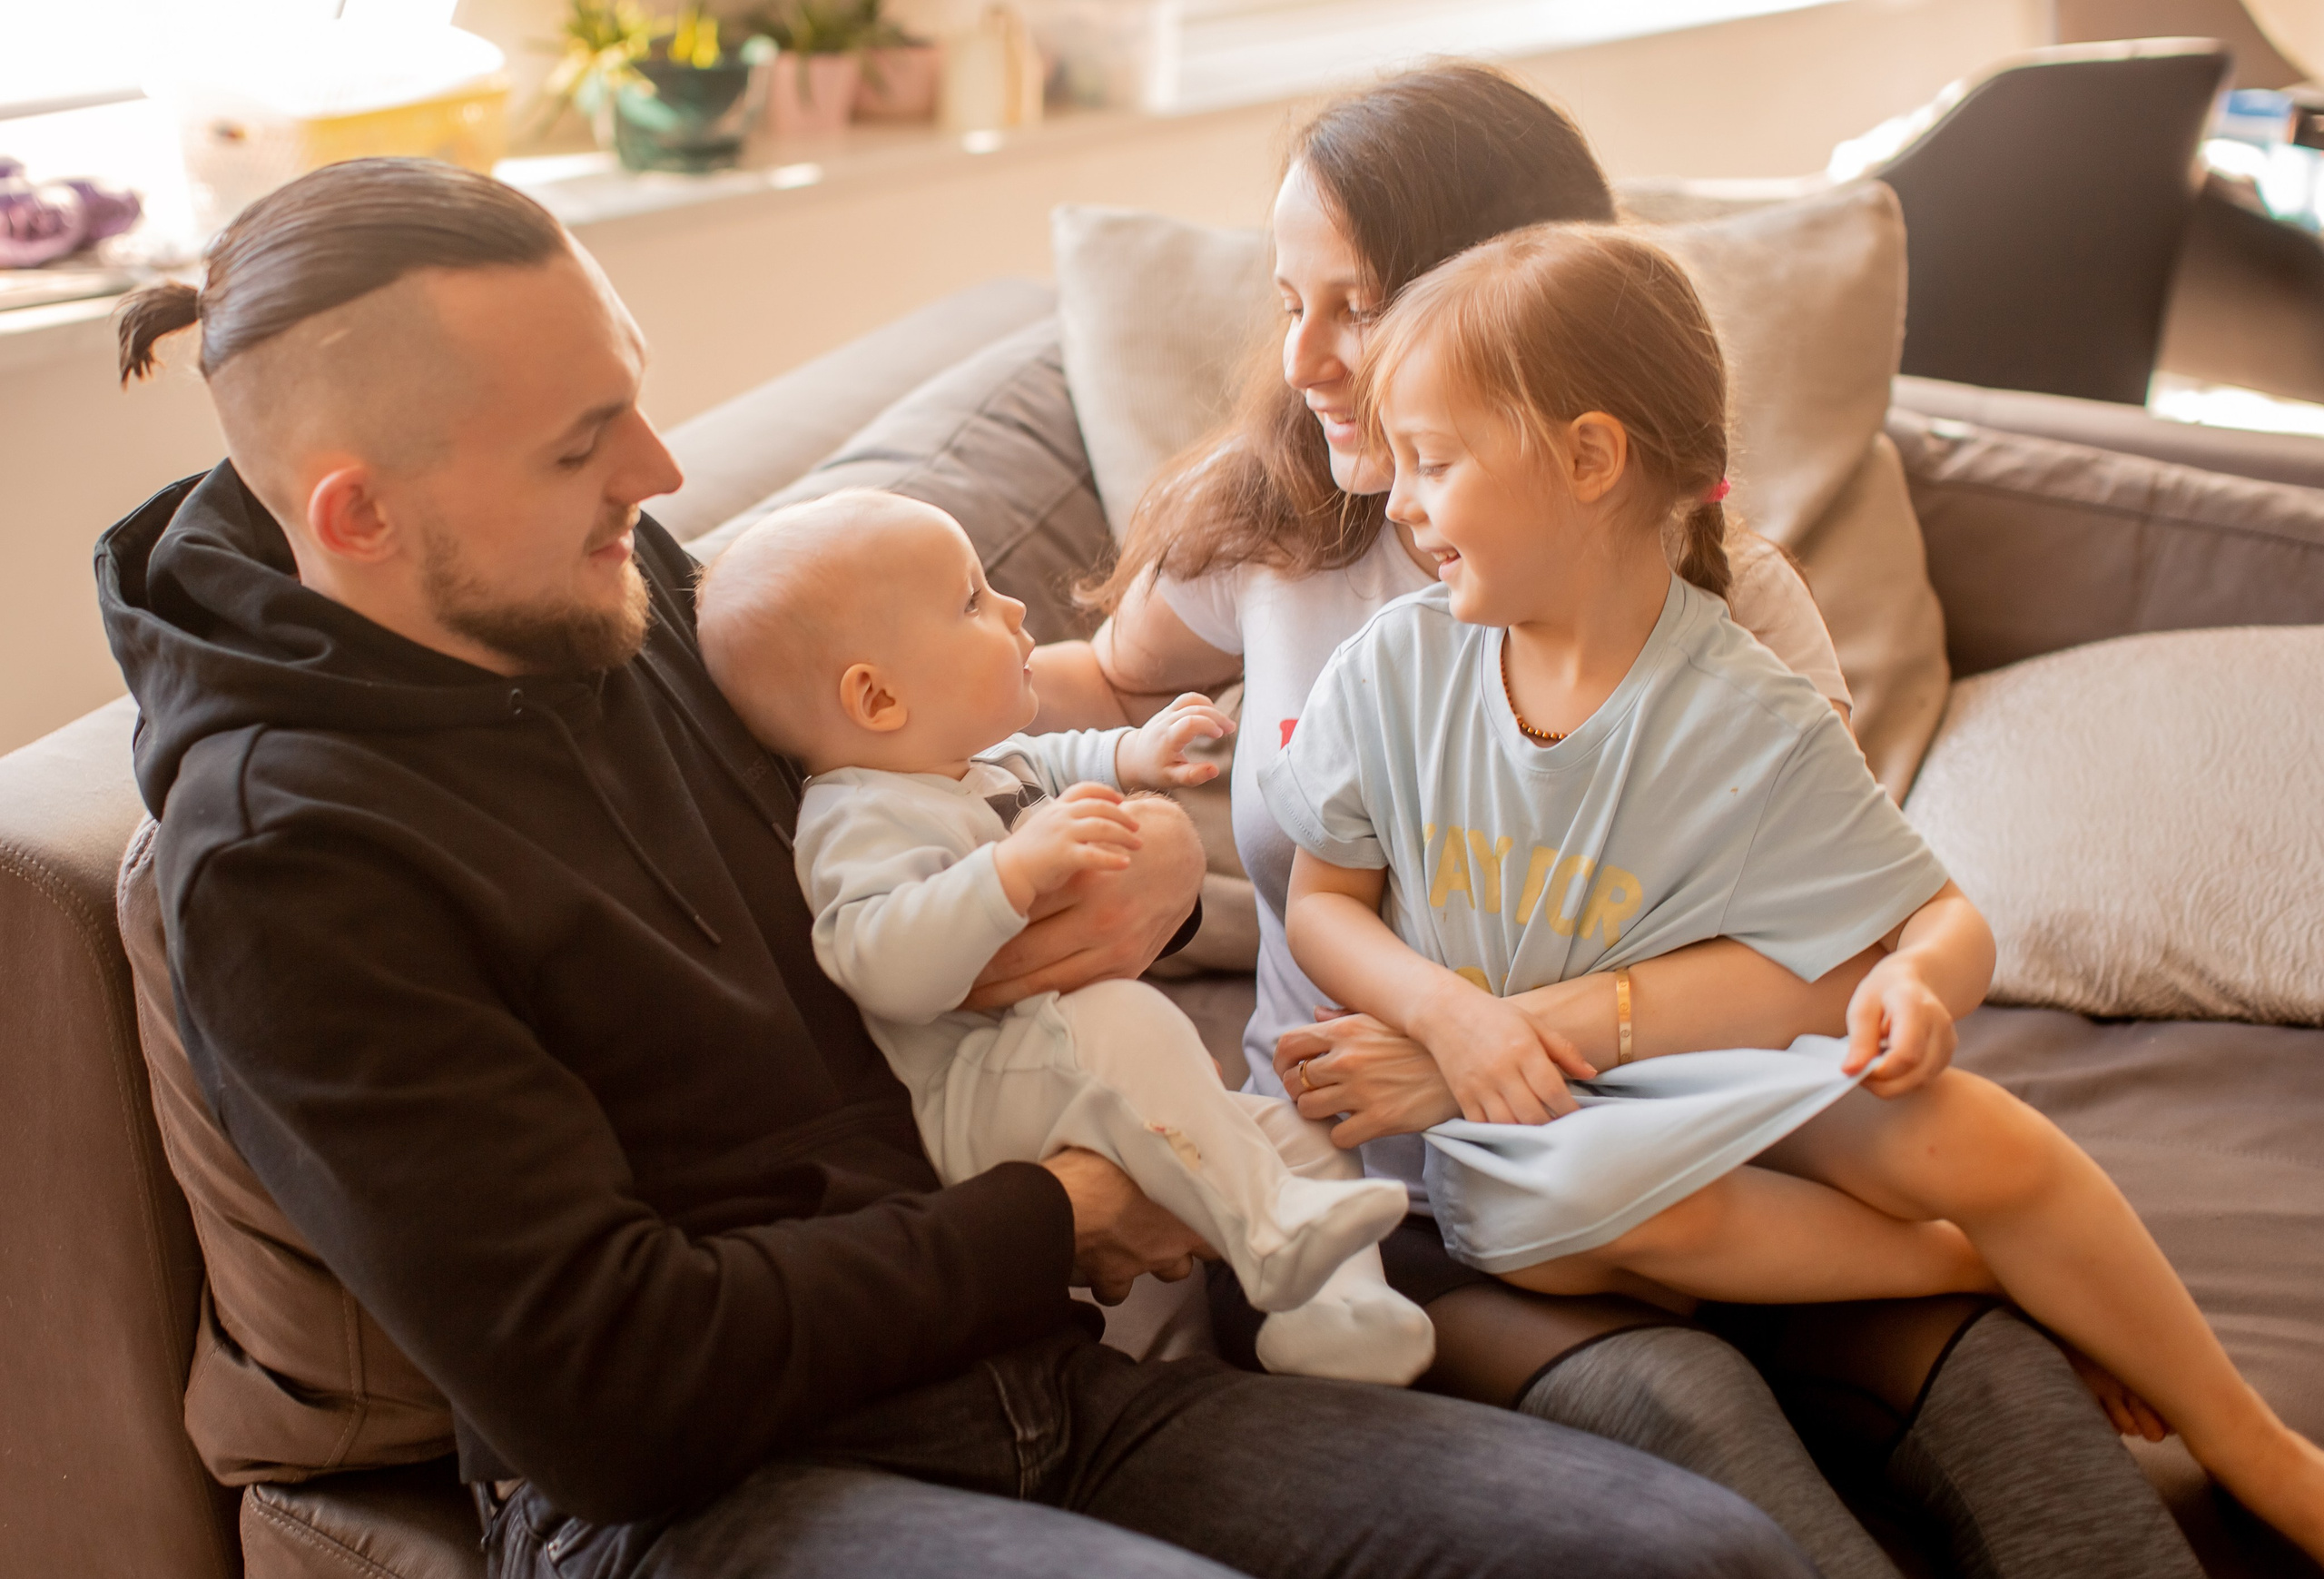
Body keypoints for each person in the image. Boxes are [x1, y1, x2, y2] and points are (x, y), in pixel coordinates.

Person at [97, 156, 1817, 1579]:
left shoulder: (618, 584)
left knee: (1694, 1553)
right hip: (704, 1502)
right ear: (356, 519)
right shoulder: (286, 861)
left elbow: (948, 767)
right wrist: (1061, 1210)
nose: (664, 471)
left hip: (1026, 1380)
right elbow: (606, 1391)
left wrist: (1136, 855)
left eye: (632, 396)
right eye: (582, 443)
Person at [1030, 61, 2206, 1579]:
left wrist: (1506, 1026)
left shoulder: (1719, 598)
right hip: (1386, 1199)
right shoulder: (1269, 544)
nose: (1308, 355)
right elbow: (1078, 677)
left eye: (1358, 302)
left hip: (1697, 1158)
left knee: (1997, 1378)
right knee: (1689, 1400)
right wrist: (829, 664)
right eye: (1288, 299)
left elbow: (1833, 939)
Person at [1268, 220, 2324, 1561]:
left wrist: (1914, 987)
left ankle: (2261, 1446)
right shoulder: (1393, 670)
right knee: (1560, 1213)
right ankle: (1990, 1263)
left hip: (1694, 1074)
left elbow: (1936, 920)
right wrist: (1451, 1019)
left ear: (1591, 460)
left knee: (1975, 1132)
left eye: (1432, 463)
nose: (1401, 503)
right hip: (1520, 1135)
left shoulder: (1747, 710)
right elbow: (1323, 903)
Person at [694, 489, 1433, 1384]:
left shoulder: (975, 765)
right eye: (971, 601)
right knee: (1126, 1016)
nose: (1012, 610)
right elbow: (876, 961)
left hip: (1061, 1064)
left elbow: (1058, 760)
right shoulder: (859, 816)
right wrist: (1006, 876)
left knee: (1293, 1130)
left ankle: (1333, 1315)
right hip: (979, 1096)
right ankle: (1270, 1235)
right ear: (878, 696)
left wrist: (1138, 757)